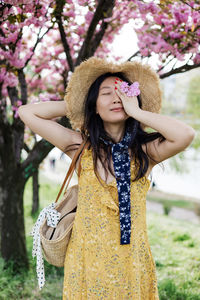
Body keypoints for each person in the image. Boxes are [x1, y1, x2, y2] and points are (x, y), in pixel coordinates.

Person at [19, 57, 195, 300]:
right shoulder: (80, 147)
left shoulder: (144, 152)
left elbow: (185, 134)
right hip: (86, 261)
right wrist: (77, 104)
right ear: (94, 105)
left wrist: (136, 111)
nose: (116, 98)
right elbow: (27, 112)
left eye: (123, 92)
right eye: (106, 94)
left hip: (131, 261)